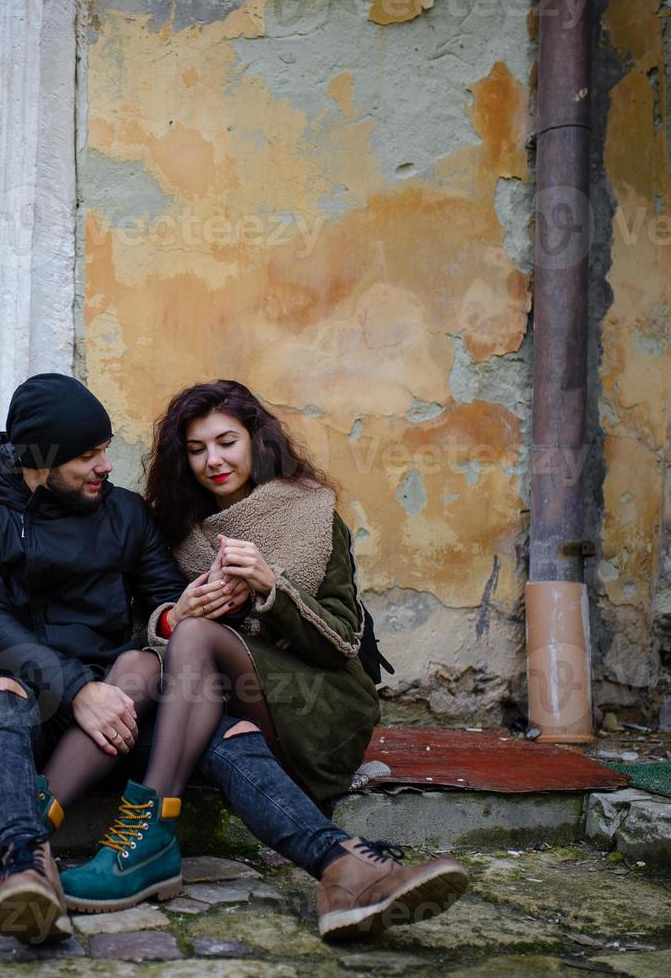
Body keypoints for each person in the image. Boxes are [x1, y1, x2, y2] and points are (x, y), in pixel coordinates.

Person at [60, 379, 469, 941]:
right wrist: (171, 616)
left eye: (227, 441)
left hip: (317, 702)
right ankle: (346, 873)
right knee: (160, 670)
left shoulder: (310, 513)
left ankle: (138, 836)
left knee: (200, 638)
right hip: (216, 708)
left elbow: (344, 640)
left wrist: (272, 589)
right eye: (197, 449)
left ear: (256, 438)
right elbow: (137, 631)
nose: (213, 460)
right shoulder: (176, 530)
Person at [0, 373, 245, 944]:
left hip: (116, 708)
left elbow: (162, 596)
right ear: (39, 461)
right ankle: (27, 865)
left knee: (225, 733)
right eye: (87, 456)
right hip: (26, 708)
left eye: (105, 449)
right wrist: (76, 690)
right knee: (1, 693)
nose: (105, 466)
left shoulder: (125, 513)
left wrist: (182, 609)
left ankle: (341, 862)